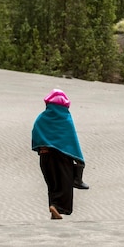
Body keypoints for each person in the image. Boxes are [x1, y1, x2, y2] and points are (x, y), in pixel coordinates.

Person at [32, 89, 89, 220]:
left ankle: (54, 209)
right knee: (65, 184)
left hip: (45, 156)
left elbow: (36, 135)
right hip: (62, 157)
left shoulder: (41, 118)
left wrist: (41, 149)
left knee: (52, 184)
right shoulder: (65, 118)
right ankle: (58, 208)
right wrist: (79, 160)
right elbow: (72, 140)